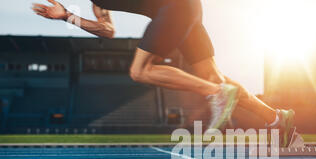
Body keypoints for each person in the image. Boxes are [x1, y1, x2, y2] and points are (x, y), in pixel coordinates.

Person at [32, 0, 296, 146]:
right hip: (187, 10)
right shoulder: (97, 3)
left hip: (175, 8)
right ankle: (276, 118)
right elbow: (107, 30)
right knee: (216, 77)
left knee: (140, 71)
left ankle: (215, 94)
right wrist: (67, 16)